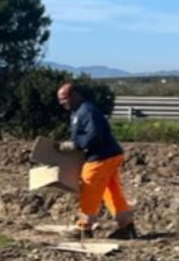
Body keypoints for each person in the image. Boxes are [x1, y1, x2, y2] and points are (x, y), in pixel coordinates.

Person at [56, 82, 137, 239]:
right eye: (60, 100)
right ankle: (126, 226)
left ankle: (84, 227)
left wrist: (76, 145)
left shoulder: (87, 111)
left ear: (75, 95)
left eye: (65, 99)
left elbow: (94, 135)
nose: (62, 103)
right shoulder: (79, 111)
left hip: (100, 157)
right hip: (110, 154)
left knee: (89, 188)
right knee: (111, 190)